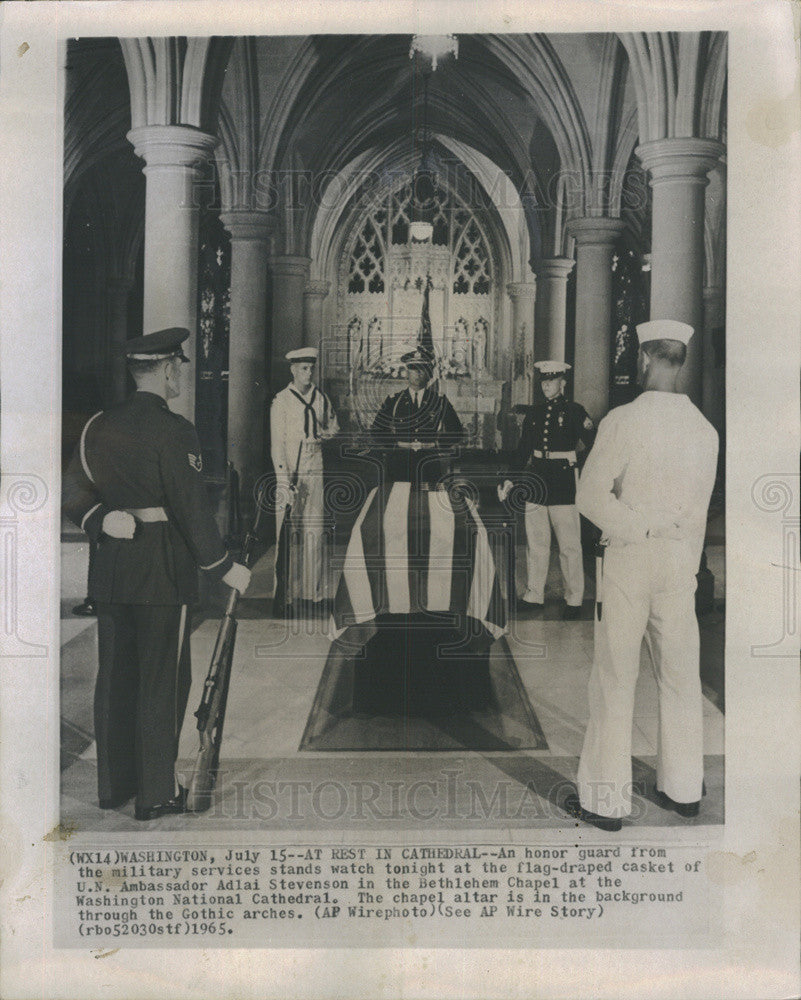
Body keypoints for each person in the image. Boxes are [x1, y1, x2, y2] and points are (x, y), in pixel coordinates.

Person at [62, 328, 251, 820]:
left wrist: (101, 519)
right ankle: (156, 793)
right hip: (162, 573)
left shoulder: (96, 427)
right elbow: (191, 510)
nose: (179, 374)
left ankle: (113, 787)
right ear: (167, 369)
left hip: (111, 570)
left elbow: (72, 494)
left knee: (115, 677)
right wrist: (223, 566)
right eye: (179, 366)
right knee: (160, 681)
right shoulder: (176, 430)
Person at [564, 319, 719, 832]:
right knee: (679, 678)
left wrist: (639, 528)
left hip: (631, 557)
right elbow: (698, 513)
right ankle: (682, 790)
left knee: (615, 677)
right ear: (681, 361)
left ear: (645, 359)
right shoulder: (704, 430)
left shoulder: (623, 420)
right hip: (680, 564)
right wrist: (683, 557)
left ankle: (606, 804)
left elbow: (589, 497)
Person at [499, 361, 595, 619]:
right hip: (537, 479)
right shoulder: (535, 413)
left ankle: (574, 599)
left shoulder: (575, 411)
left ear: (563, 383)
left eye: (551, 381)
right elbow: (523, 450)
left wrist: (581, 472)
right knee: (537, 541)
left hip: (564, 481)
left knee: (569, 544)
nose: (546, 386)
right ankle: (534, 594)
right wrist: (510, 479)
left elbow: (594, 447)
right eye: (543, 381)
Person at [270, 347, 339, 613]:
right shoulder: (282, 400)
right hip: (291, 471)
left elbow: (334, 426)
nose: (308, 373)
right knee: (287, 532)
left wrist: (325, 434)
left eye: (311, 368)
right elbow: (277, 444)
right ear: (293, 370)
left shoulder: (321, 398)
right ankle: (285, 594)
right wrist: (283, 479)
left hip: (315, 464)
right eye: (302, 368)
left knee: (314, 529)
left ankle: (313, 593)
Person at [369, 344, 464, 487]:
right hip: (399, 463)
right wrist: (396, 443)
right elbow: (376, 431)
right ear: (407, 372)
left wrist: (435, 444)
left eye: (423, 369)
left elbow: (456, 432)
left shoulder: (439, 400)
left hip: (429, 463)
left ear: (429, 373)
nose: (418, 373)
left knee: (428, 504)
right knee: (398, 503)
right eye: (413, 369)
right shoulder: (394, 400)